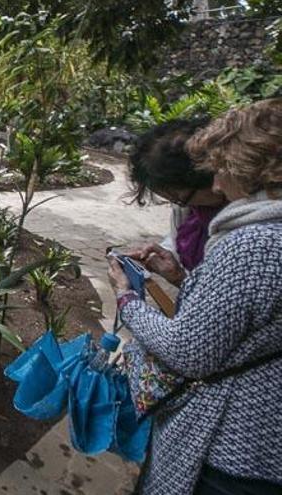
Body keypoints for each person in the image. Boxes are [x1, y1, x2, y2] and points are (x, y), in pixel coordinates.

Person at [108, 98, 282, 495]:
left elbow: (188, 350)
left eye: (223, 170)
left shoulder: (254, 243)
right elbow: (239, 316)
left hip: (233, 449)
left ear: (256, 169)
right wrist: (180, 277)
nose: (217, 185)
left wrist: (126, 300)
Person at [125, 119, 227, 286]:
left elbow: (219, 305)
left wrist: (126, 299)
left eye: (179, 198)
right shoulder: (194, 212)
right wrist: (171, 263)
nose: (179, 205)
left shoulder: (248, 235)